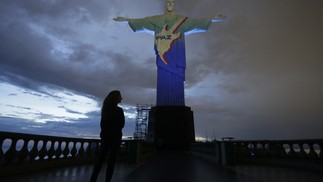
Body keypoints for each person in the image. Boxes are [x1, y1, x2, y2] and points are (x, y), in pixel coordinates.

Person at [114, 0, 226, 106]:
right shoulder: (157, 20)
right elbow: (143, 22)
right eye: (168, 2)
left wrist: (211, 19)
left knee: (177, 85)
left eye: (172, 2)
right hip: (164, 59)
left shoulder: (181, 20)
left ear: (174, 5)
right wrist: (128, 20)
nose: (170, 4)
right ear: (165, 5)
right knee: (163, 80)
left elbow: (196, 23)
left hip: (177, 57)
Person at [90, 90, 125, 182]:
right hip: (115, 138)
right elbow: (121, 124)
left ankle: (92, 180)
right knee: (111, 162)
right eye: (120, 96)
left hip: (105, 138)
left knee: (99, 161)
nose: (121, 98)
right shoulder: (119, 110)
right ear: (116, 98)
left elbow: (103, 125)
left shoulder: (105, 109)